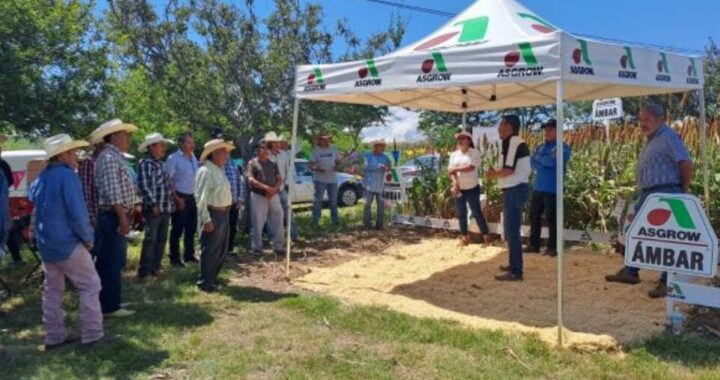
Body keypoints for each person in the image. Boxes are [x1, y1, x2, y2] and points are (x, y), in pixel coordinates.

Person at [605, 104, 693, 298]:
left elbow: (686, 163)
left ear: (660, 118)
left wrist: (682, 189)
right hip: (649, 194)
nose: (642, 123)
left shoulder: (668, 137)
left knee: (665, 237)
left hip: (666, 193)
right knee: (638, 232)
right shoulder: (653, 138)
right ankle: (630, 271)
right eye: (640, 119)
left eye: (646, 119)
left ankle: (667, 281)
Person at [29, 134, 104, 349]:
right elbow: (77, 213)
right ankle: (93, 334)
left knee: (52, 291)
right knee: (90, 285)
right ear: (62, 155)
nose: (75, 156)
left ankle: (54, 336)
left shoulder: (41, 178)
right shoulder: (68, 176)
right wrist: (88, 238)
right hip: (68, 242)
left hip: (47, 243)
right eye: (72, 152)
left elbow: (36, 206)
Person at [93, 119, 139, 317]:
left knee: (114, 260)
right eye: (124, 134)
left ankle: (112, 300)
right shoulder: (110, 158)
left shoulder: (114, 157)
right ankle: (109, 306)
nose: (128, 138)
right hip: (112, 216)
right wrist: (122, 218)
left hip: (115, 215)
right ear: (114, 137)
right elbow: (113, 193)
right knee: (110, 261)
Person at [487, 115, 531, 282]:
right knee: (510, 229)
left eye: (500, 124)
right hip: (514, 189)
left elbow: (508, 170)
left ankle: (516, 271)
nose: (498, 128)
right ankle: (513, 265)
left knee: (512, 231)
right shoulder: (512, 142)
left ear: (508, 126)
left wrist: (493, 175)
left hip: (515, 189)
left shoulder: (512, 141)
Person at [527, 119, 571, 257]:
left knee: (552, 219)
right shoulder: (540, 147)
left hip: (553, 189)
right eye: (545, 130)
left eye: (550, 130)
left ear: (558, 131)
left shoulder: (563, 148)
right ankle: (534, 245)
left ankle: (552, 247)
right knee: (534, 217)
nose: (546, 132)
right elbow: (532, 162)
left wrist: (542, 159)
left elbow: (551, 162)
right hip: (538, 187)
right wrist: (544, 159)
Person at [195, 139, 234, 292]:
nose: (226, 155)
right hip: (213, 213)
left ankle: (212, 279)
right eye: (223, 152)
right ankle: (205, 282)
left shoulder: (219, 170)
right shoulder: (205, 171)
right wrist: (206, 219)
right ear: (215, 153)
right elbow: (200, 198)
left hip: (223, 213)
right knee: (210, 249)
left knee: (221, 250)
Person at [137, 133, 174, 280]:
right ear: (151, 147)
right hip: (154, 208)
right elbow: (144, 186)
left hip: (165, 207)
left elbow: (166, 185)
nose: (163, 148)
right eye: (160, 145)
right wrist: (153, 204)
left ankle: (155, 267)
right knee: (151, 239)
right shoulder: (146, 163)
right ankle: (145, 271)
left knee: (161, 239)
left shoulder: (161, 163)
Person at [449, 131, 491, 246]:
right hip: (460, 189)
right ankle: (464, 238)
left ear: (469, 140)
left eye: (463, 138)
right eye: (459, 139)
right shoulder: (454, 154)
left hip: (472, 188)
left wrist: (456, 169)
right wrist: (455, 183)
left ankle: (486, 237)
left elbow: (471, 167)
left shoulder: (475, 152)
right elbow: (450, 171)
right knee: (461, 213)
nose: (461, 140)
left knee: (477, 212)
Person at [166, 132, 200, 267]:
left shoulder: (193, 158)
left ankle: (189, 255)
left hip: (193, 197)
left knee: (191, 229)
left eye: (193, 142)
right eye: (189, 142)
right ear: (181, 144)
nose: (192, 145)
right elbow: (168, 180)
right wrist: (176, 199)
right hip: (180, 196)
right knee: (177, 229)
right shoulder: (173, 158)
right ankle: (174, 258)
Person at [247, 141, 285, 256]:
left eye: (263, 148)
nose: (260, 150)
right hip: (258, 196)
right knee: (257, 222)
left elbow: (279, 178)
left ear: (267, 150)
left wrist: (274, 190)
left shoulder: (273, 163)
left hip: (273, 195)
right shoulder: (252, 163)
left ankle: (278, 246)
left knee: (278, 219)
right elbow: (251, 180)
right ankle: (257, 248)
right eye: (258, 148)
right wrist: (267, 189)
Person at [211, 131, 244, 257]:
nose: (227, 152)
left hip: (234, 202)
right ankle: (220, 251)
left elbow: (239, 182)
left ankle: (229, 250)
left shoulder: (234, 164)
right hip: (222, 202)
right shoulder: (217, 165)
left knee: (232, 226)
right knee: (222, 229)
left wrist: (240, 199)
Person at [268, 132, 298, 241]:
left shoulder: (284, 154)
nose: (277, 144)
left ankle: (294, 235)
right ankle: (273, 237)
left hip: (281, 188)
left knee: (288, 211)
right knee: (271, 214)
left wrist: (287, 183)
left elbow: (288, 170)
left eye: (279, 142)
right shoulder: (266, 155)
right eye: (275, 143)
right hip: (270, 189)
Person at [310, 134, 340, 226]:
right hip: (320, 179)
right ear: (319, 140)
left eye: (327, 139)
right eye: (323, 139)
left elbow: (338, 162)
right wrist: (318, 169)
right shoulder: (315, 151)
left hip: (332, 179)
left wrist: (337, 166)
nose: (326, 141)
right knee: (318, 200)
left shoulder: (334, 150)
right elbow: (311, 165)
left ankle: (335, 221)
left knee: (333, 200)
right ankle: (316, 221)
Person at [363, 139, 391, 230]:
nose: (382, 148)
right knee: (367, 205)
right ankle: (367, 224)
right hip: (369, 184)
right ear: (375, 147)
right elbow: (367, 167)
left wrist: (387, 168)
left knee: (381, 206)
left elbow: (389, 167)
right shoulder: (368, 155)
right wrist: (379, 166)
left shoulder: (385, 157)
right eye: (380, 146)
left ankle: (379, 225)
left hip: (380, 184)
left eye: (383, 146)